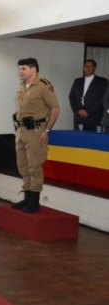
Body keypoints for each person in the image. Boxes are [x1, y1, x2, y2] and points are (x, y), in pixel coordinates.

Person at [12, 58, 60, 213]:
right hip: (21, 130)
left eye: (23, 69)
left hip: (36, 131)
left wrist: (47, 131)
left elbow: (55, 108)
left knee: (34, 166)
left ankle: (34, 200)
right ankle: (27, 196)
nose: (20, 72)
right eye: (19, 69)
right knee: (23, 166)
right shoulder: (22, 86)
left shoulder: (44, 86)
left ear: (33, 69)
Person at [68, 59, 108, 131]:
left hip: (94, 118)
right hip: (79, 118)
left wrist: (88, 112)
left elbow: (102, 99)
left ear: (95, 68)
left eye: (90, 66)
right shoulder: (77, 81)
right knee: (78, 140)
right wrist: (78, 110)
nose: (87, 68)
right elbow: (72, 97)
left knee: (94, 141)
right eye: (86, 66)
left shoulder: (102, 82)